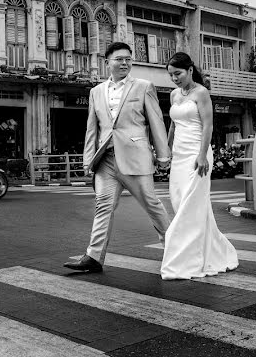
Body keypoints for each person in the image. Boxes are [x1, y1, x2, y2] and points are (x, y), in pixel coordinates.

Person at [64, 41, 172, 273]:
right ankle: (93, 257)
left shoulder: (143, 86)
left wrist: (163, 155)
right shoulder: (96, 92)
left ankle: (174, 248)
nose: (124, 63)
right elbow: (92, 129)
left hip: (135, 157)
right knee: (103, 206)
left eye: (128, 59)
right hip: (106, 160)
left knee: (152, 205)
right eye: (119, 59)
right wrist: (87, 159)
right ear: (107, 63)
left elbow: (156, 122)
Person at [160, 52, 238, 280]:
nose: (174, 78)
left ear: (190, 70)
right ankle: (209, 251)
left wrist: (203, 155)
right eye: (171, 75)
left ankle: (183, 261)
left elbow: (208, 126)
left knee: (190, 206)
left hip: (197, 154)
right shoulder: (174, 94)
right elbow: (173, 125)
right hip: (179, 156)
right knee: (179, 202)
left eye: (178, 73)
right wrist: (166, 151)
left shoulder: (201, 93)